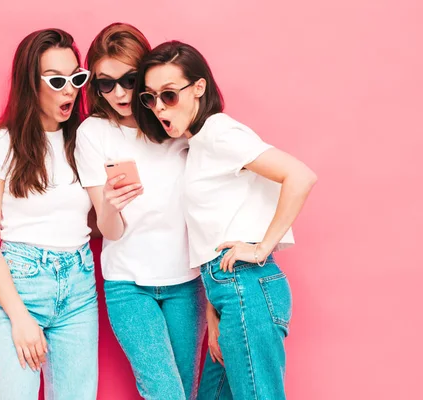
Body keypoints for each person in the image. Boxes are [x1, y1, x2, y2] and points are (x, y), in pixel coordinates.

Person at [134, 40, 318, 399]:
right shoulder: (199, 145)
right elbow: (210, 233)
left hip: (246, 287)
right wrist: (213, 310)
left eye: (168, 96)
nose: (158, 107)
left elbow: (300, 175)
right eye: (150, 98)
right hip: (227, 293)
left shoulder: (219, 132)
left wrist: (262, 247)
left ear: (198, 88)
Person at [75, 23, 206, 400]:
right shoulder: (94, 133)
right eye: (105, 83)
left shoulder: (176, 124)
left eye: (130, 80)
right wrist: (112, 207)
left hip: (187, 281)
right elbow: (110, 232)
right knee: (165, 393)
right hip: (129, 286)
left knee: (186, 391)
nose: (118, 93)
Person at [0, 28, 98, 400]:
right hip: (20, 287)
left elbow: (89, 223)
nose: (70, 90)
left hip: (79, 289)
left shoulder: (85, 141)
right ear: (30, 84)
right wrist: (19, 317)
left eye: (76, 78)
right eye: (57, 80)